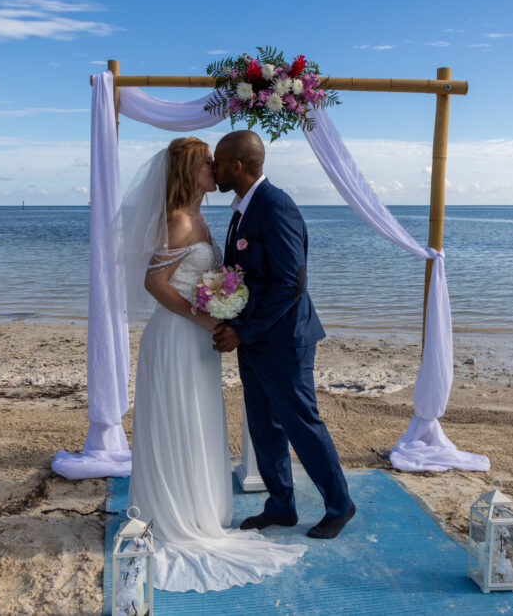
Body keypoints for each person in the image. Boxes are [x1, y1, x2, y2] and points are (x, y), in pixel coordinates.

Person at [121, 136, 306, 594]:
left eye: (216, 162)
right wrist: (200, 316)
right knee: (179, 420)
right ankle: (177, 512)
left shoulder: (202, 218)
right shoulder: (179, 222)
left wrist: (227, 305)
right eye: (207, 163)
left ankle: (198, 506)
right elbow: (153, 281)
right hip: (176, 338)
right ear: (191, 173)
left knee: (199, 421)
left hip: (199, 341)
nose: (214, 168)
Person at [211, 130, 355, 540]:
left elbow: (290, 283)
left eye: (218, 164)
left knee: (301, 425)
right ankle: (280, 505)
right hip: (254, 339)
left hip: (285, 340)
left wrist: (244, 330)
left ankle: (340, 505)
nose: (214, 170)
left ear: (236, 166)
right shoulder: (243, 208)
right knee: (263, 426)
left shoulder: (276, 206)